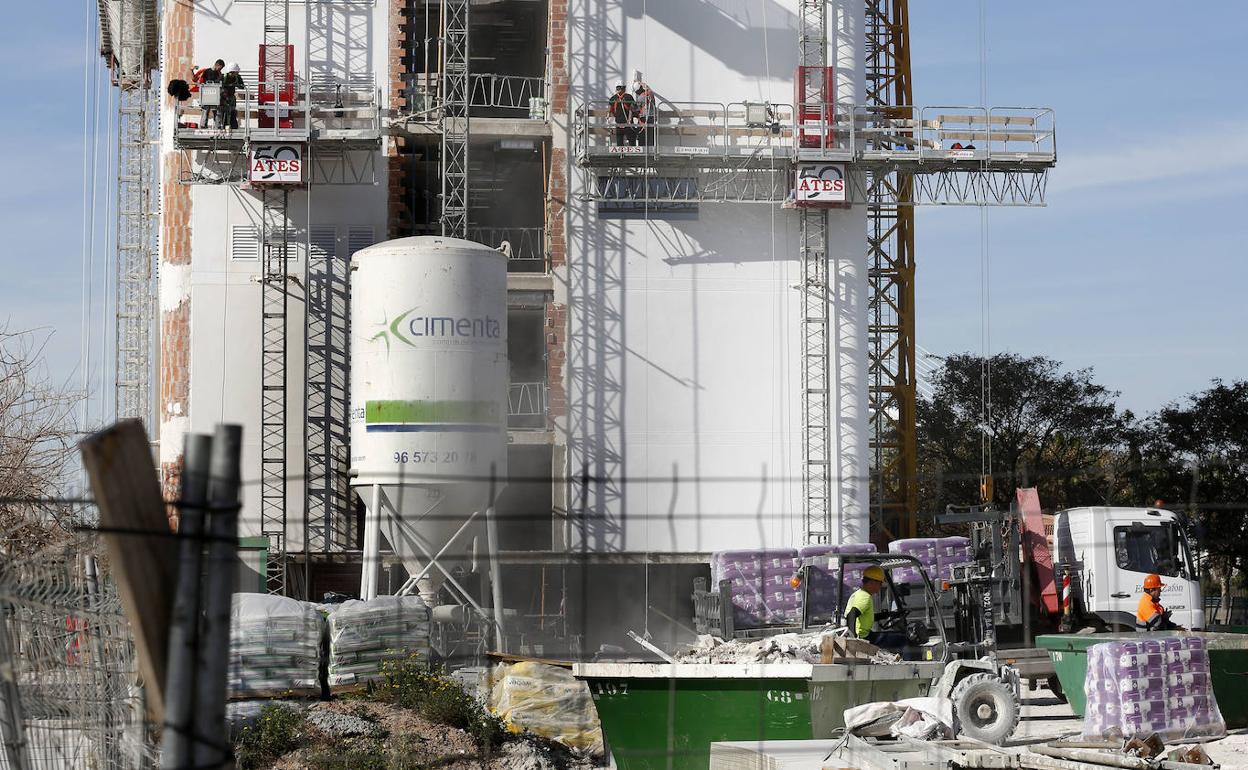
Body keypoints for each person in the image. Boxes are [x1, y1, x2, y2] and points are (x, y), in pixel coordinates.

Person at [844, 566, 907, 651]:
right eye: (880, 583)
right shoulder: (864, 597)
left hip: (865, 635)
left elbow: (866, 617)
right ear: (872, 582)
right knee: (904, 639)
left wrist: (888, 614)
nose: (880, 586)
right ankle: (909, 664)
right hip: (864, 638)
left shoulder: (858, 594)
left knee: (894, 637)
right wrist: (853, 640)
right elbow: (851, 615)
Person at [193, 59, 225, 127]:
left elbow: (219, 82)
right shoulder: (206, 71)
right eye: (220, 68)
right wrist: (191, 71)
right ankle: (203, 125)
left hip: (215, 94)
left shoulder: (218, 73)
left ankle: (217, 125)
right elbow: (196, 79)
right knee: (206, 110)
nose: (220, 69)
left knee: (216, 109)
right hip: (206, 93)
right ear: (217, 65)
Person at [221, 62, 245, 130]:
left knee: (232, 112)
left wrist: (237, 85)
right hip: (223, 98)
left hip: (231, 97)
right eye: (236, 72)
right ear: (231, 72)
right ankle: (223, 127)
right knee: (224, 112)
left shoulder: (238, 77)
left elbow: (242, 86)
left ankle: (234, 127)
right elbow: (218, 86)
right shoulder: (223, 77)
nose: (237, 73)